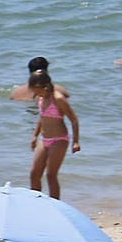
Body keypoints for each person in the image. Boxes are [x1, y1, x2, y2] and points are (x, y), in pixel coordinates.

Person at [29, 66, 80, 198]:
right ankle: (36, 203)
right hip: (44, 139)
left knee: (51, 175)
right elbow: (41, 117)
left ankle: (55, 205)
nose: (37, 94)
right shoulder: (41, 99)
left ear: (45, 86)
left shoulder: (58, 99)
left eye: (38, 91)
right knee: (34, 173)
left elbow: (73, 120)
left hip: (59, 139)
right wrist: (35, 136)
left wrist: (75, 141)